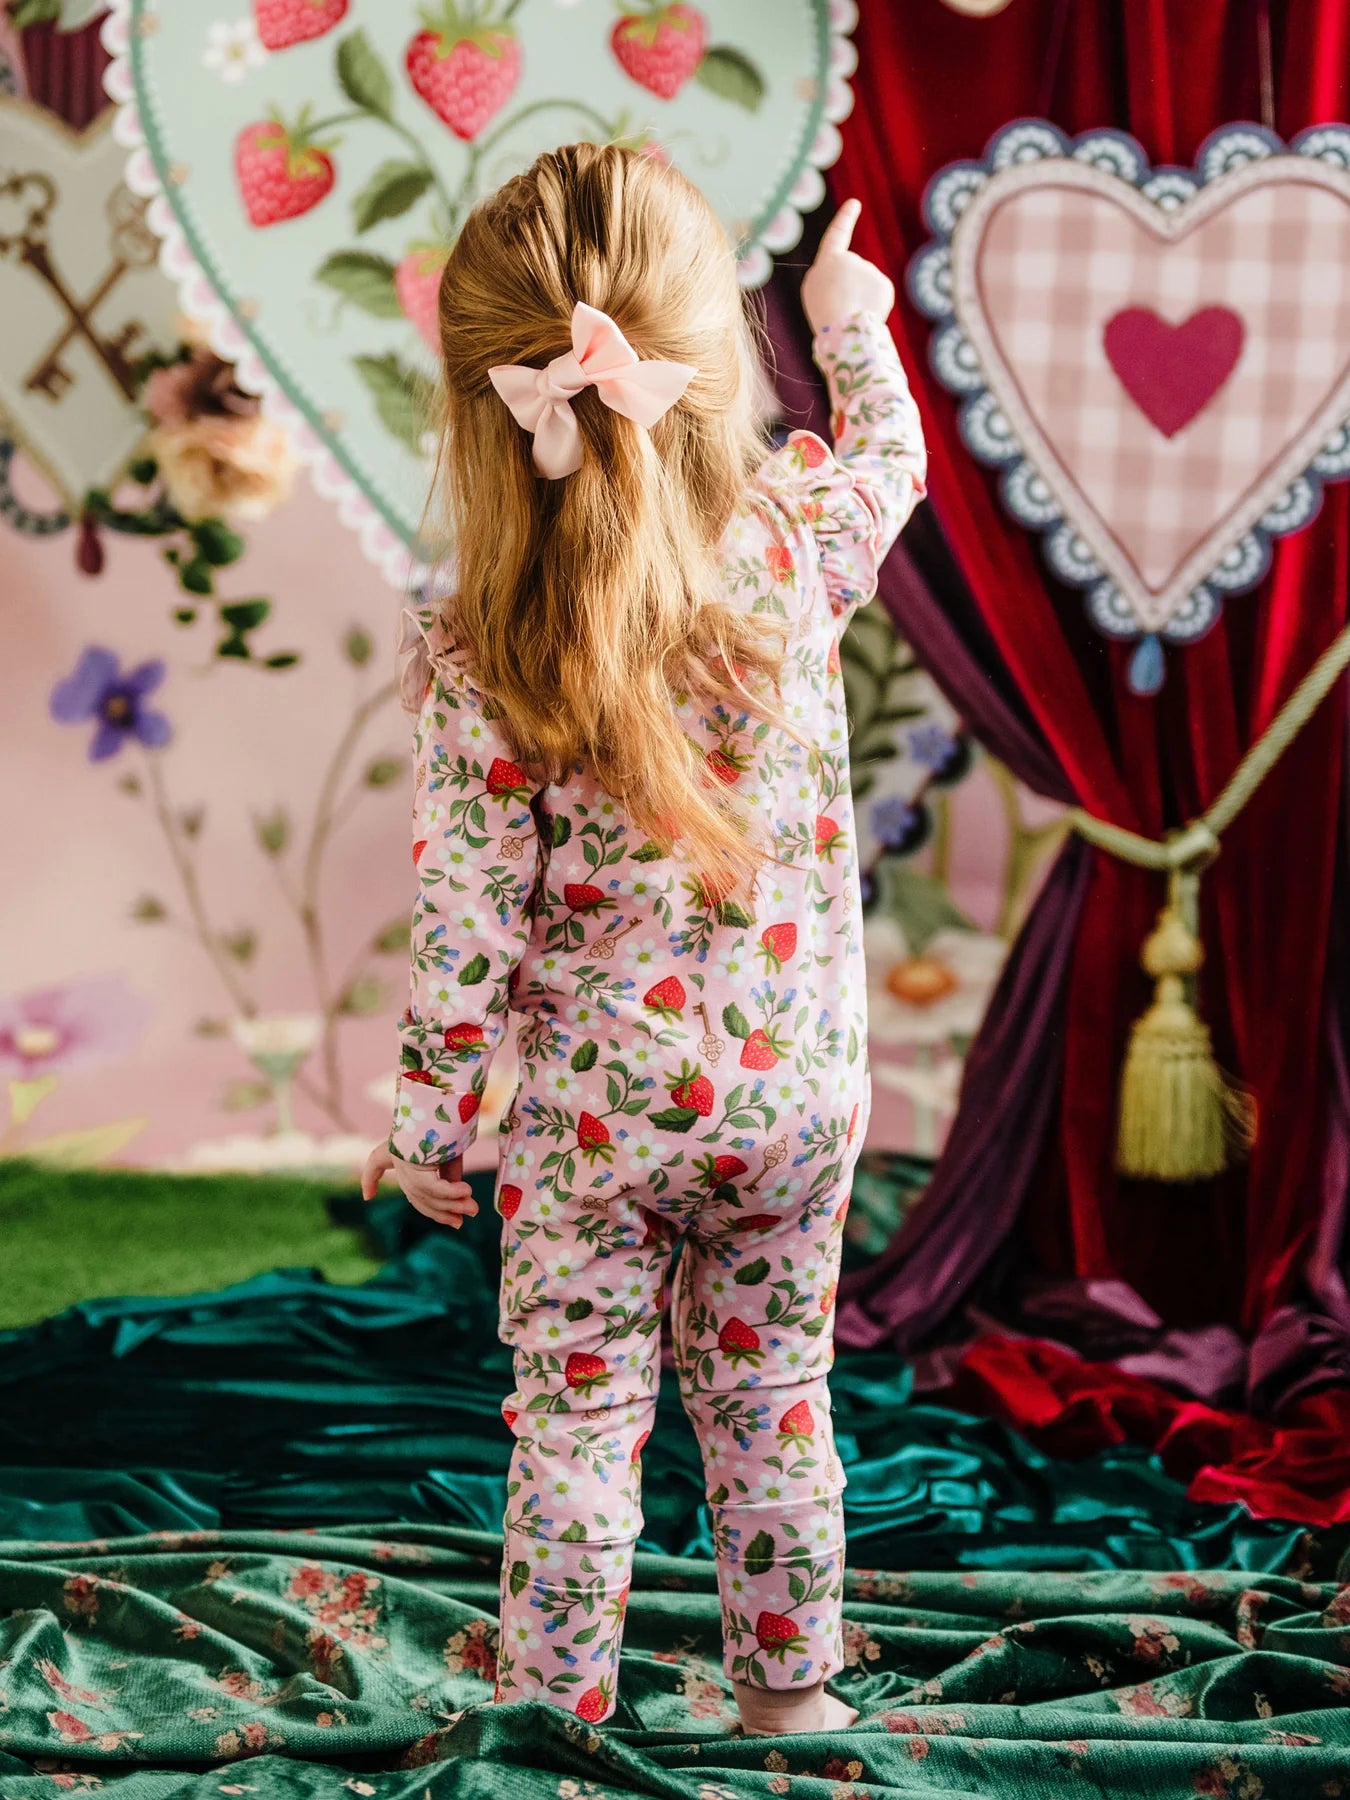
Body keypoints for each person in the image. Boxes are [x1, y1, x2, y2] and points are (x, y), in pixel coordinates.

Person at [362, 142, 925, 1734]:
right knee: (769, 1404)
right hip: (795, 1115)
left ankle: (559, 1712)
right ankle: (789, 1702)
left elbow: (464, 924)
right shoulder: (801, 545)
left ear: (487, 407)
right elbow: (889, 457)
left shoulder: (485, 653)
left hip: (594, 1135)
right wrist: (850, 320)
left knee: (575, 1429)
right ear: (708, 353)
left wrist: (426, 1126)